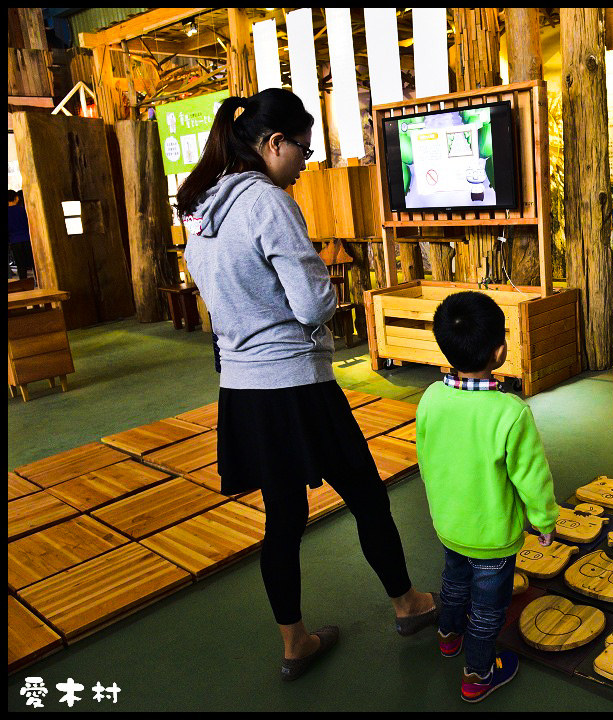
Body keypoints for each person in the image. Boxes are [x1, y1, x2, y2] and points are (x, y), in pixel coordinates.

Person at [176, 88, 437, 681]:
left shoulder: (200, 204)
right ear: (273, 143)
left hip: (242, 389)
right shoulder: (267, 202)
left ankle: (294, 642)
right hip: (296, 384)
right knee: (366, 495)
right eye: (302, 147)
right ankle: (408, 604)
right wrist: (331, 293)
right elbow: (313, 303)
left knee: (283, 518)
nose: (305, 159)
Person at [415, 291, 559, 703]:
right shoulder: (510, 412)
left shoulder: (430, 399)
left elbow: (426, 458)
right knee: (488, 608)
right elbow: (532, 477)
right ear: (500, 351)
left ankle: (447, 633)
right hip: (493, 535)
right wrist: (544, 521)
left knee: (454, 581)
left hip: (449, 523)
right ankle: (478, 673)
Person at [8, 190, 34, 281]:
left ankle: (24, 283)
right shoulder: (22, 209)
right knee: (33, 262)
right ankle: (37, 281)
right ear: (16, 198)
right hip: (27, 239)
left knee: (20, 264)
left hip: (14, 241)